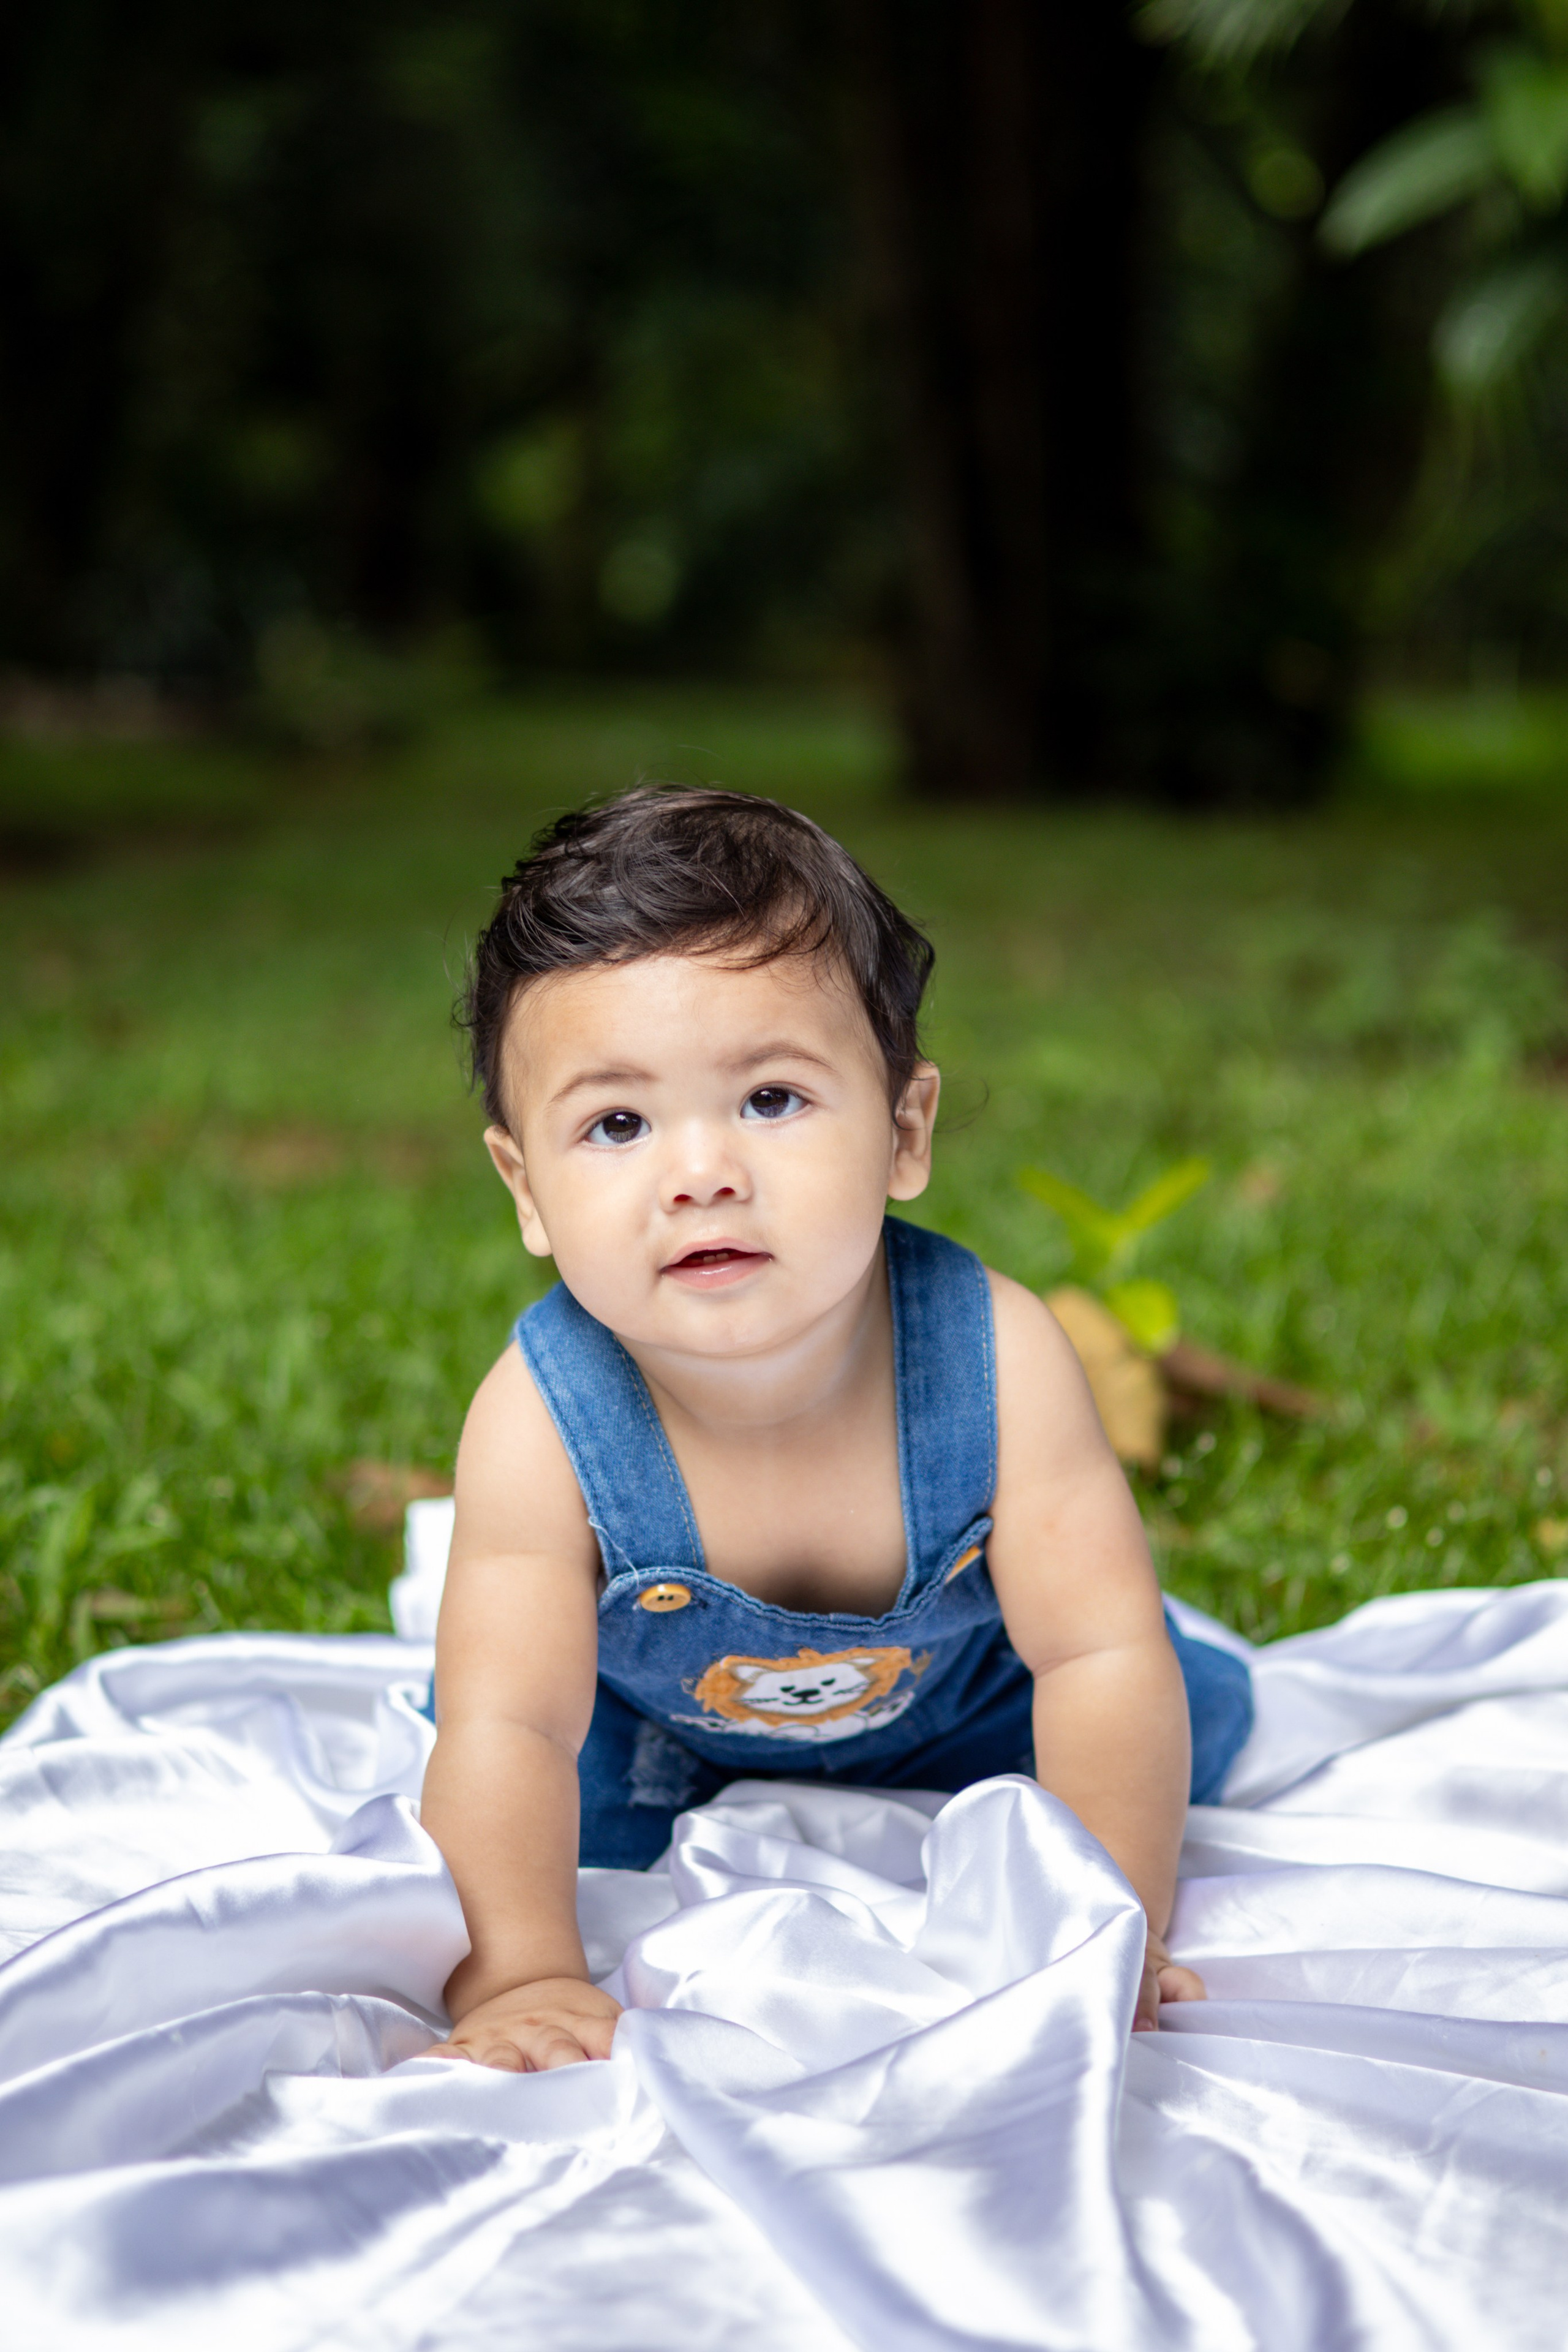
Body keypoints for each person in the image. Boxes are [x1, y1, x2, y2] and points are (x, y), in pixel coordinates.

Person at [420, 787, 1253, 2073]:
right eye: (617, 1124)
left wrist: (1111, 1923)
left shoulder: (998, 1355)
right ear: (526, 1189)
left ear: (903, 1132)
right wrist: (520, 1973)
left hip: (979, 1705)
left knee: (1173, 1714)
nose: (699, 1172)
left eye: (768, 1099)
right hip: (663, 1738)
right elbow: (510, 1726)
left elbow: (1089, 1656)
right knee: (505, 1789)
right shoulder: (541, 1420)